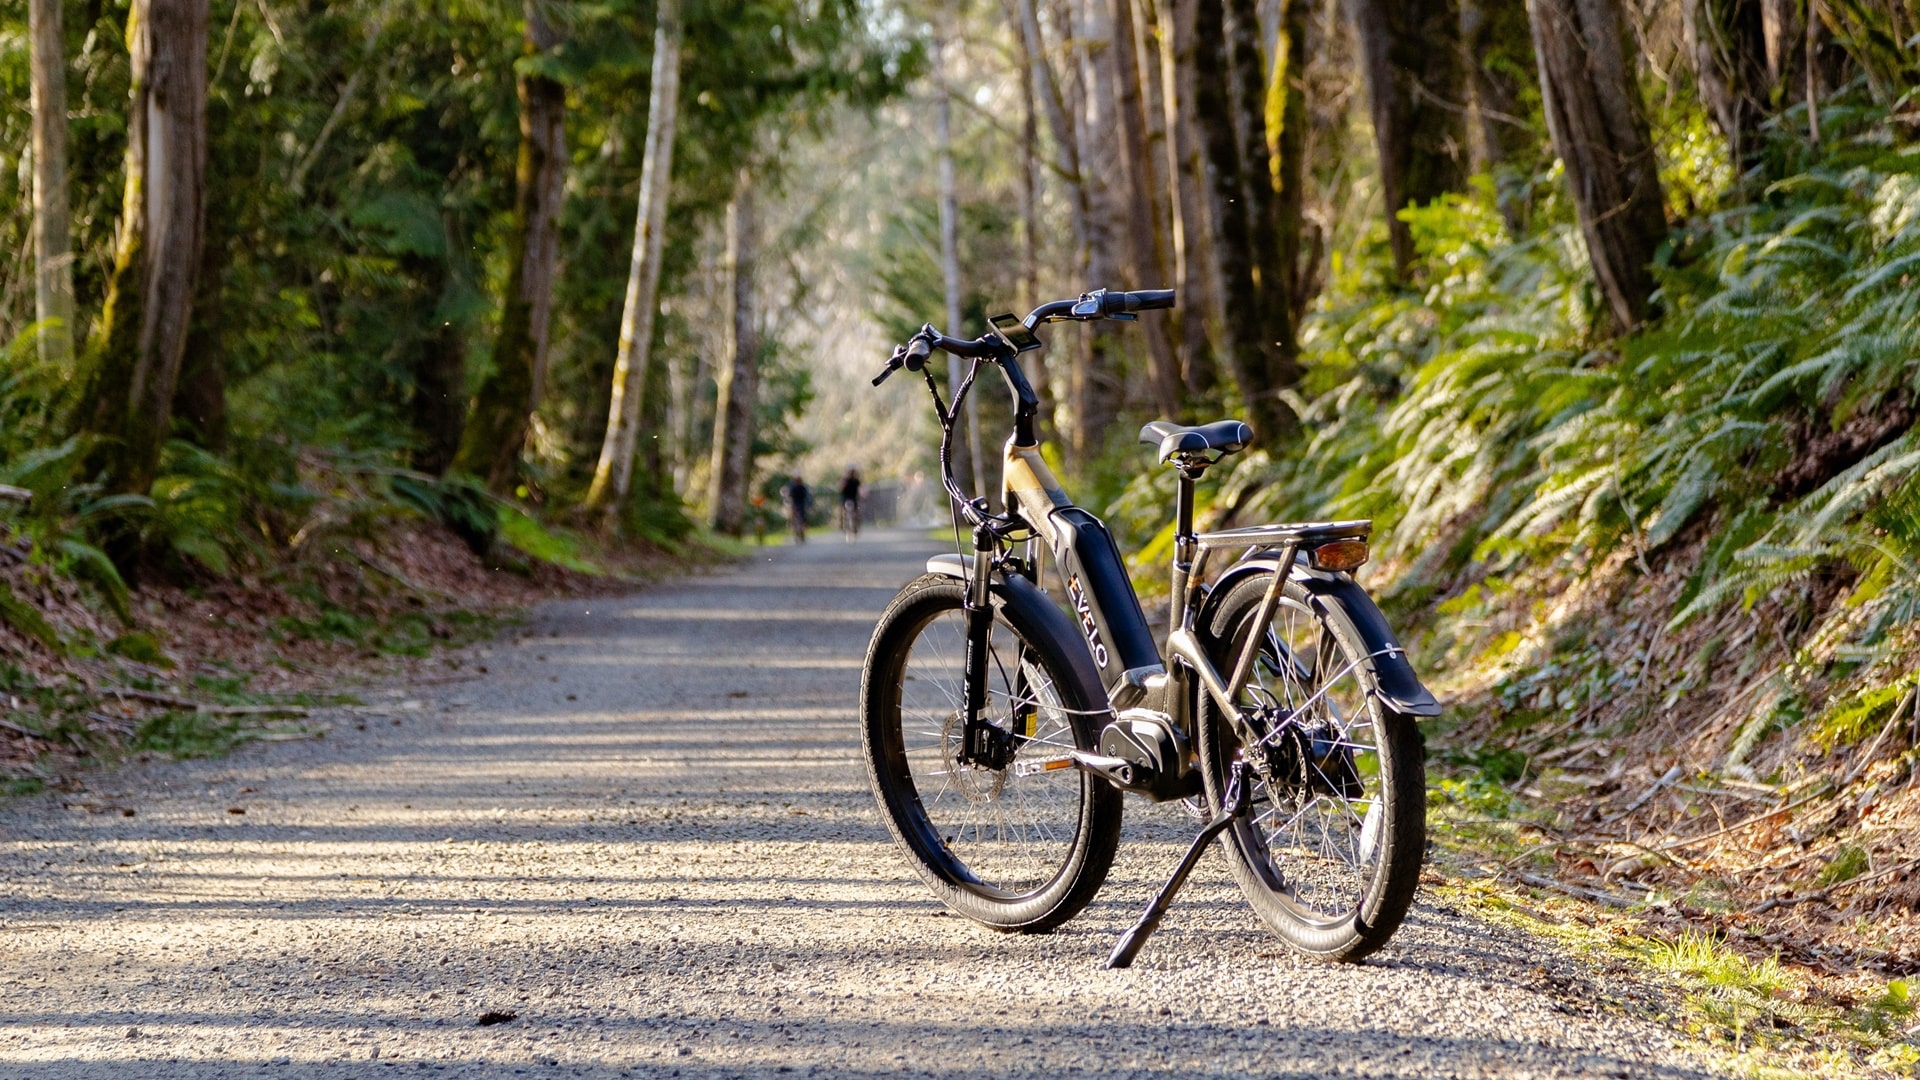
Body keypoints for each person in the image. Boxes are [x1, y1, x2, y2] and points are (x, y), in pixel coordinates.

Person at [783, 474, 810, 543]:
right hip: (801, 505)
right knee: (801, 521)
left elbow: (790, 496)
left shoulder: (794, 487)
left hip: (796, 505)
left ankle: (798, 534)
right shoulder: (803, 487)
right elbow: (806, 496)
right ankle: (801, 535)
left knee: (796, 520)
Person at [838, 467, 862, 541]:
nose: (851, 474)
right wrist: (844, 483)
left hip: (854, 499)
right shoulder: (845, 480)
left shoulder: (856, 480)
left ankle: (856, 526)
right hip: (845, 499)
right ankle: (842, 525)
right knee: (843, 512)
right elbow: (840, 488)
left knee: (857, 513)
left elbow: (861, 489)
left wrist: (863, 495)